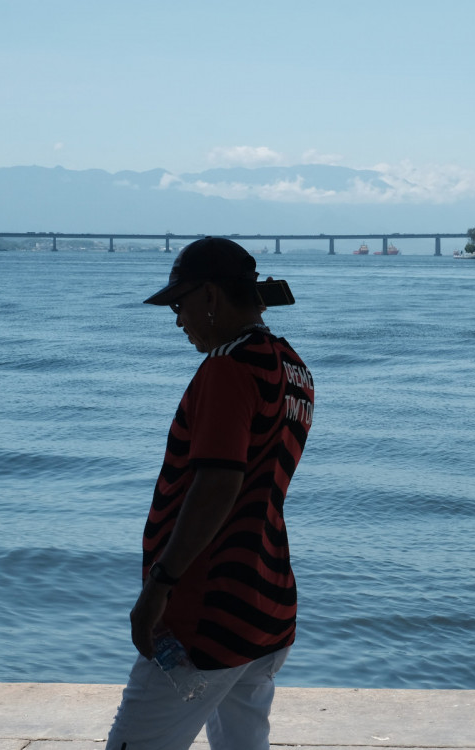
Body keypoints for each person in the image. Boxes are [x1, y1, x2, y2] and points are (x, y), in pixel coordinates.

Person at [106, 237, 314, 750]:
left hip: (207, 614)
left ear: (212, 298)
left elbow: (220, 482)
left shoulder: (227, 370)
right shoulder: (292, 369)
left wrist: (160, 585)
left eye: (180, 305)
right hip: (267, 604)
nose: (179, 320)